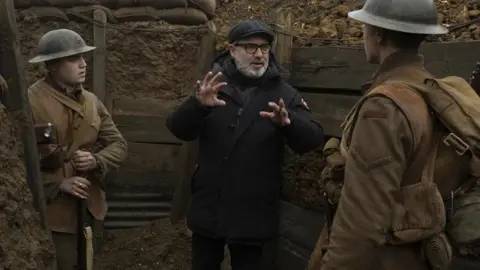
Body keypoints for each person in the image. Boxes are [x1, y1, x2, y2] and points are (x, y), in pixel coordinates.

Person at [308, 0, 478, 269]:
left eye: (366, 26)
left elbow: (361, 224)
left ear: (378, 33)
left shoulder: (384, 106)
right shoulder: (429, 89)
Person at [166, 19, 324, 270]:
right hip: (209, 207)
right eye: (250, 47)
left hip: (253, 212)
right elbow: (178, 128)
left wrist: (289, 123)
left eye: (264, 47)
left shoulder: (283, 93)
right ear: (232, 50)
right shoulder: (212, 85)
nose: (259, 54)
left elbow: (313, 138)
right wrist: (198, 106)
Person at [27, 28, 128, 270]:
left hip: (89, 206)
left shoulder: (92, 102)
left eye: (83, 58)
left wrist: (96, 160)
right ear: (52, 65)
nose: (83, 64)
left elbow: (119, 145)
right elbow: (15, 163)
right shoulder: (30, 101)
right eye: (74, 59)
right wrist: (57, 184)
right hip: (53, 212)